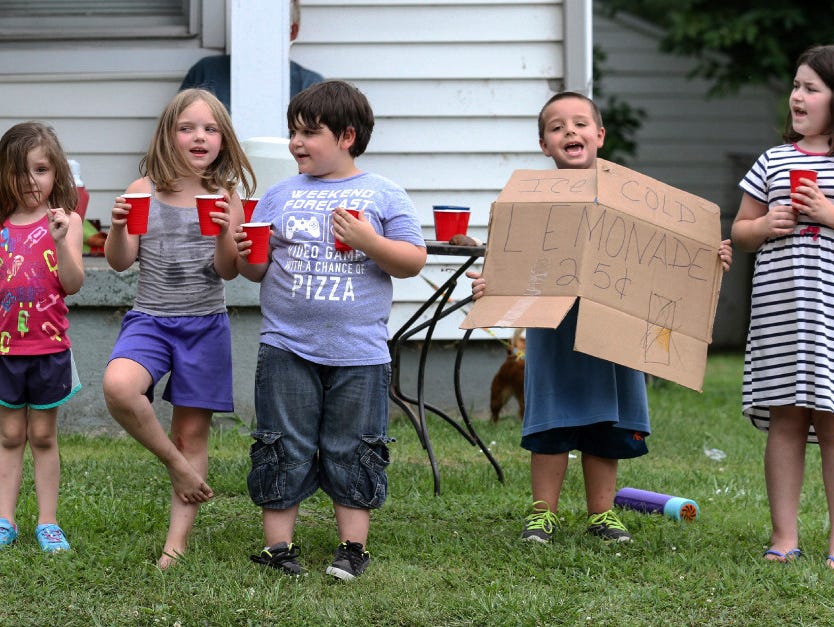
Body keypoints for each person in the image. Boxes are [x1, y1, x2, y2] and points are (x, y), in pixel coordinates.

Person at [467, 92, 733, 545]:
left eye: (580, 123)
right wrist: (490, 287)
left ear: (600, 136)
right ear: (543, 144)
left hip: (615, 334)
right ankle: (541, 514)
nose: (570, 131)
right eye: (557, 127)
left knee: (606, 424)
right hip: (554, 335)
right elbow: (515, 261)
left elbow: (665, 258)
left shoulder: (634, 202)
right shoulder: (529, 202)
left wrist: (707, 259)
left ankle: (603, 514)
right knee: (550, 422)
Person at [234, 80, 426, 579]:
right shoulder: (278, 196)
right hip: (286, 344)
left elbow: (412, 260)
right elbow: (257, 270)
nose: (296, 142)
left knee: (354, 448)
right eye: (293, 132)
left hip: (359, 351)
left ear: (346, 135)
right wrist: (242, 251)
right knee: (281, 443)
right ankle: (279, 548)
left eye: (309, 133)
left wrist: (368, 239)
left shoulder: (384, 193)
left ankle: (352, 548)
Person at [101, 88, 255, 569]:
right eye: (187, 127)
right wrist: (119, 227)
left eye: (210, 129)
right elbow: (121, 262)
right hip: (151, 320)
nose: (199, 137)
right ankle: (176, 467)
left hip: (205, 325)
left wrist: (225, 236)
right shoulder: (144, 189)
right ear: (169, 135)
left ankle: (176, 543)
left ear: (223, 140)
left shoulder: (226, 197)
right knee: (119, 386)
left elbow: (227, 272)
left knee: (192, 434)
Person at [731, 44, 834, 566]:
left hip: (831, 320)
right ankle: (784, 536)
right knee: (787, 420)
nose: (797, 96)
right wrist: (764, 226)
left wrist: (826, 212)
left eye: (811, 88)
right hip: (783, 316)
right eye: (795, 86)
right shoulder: (773, 160)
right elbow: (740, 229)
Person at [0, 122, 84, 552]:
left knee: (44, 437)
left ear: (56, 174)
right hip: (6, 352)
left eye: (41, 169)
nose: (30, 181)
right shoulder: (1, 226)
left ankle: (48, 523)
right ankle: (5, 519)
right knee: (10, 436)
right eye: (19, 170)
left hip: (49, 350)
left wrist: (61, 239)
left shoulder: (63, 221)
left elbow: (73, 284)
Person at [178, 0, 324, 113]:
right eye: (250, 24)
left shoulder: (310, 87)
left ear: (292, 31)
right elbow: (175, 135)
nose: (257, 33)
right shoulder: (205, 73)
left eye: (268, 25)